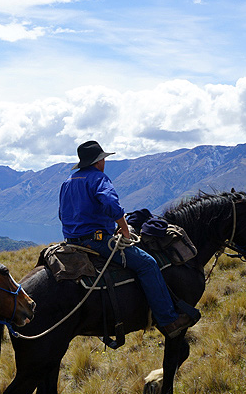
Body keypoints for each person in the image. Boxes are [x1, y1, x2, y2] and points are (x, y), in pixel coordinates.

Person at [58, 140, 197, 338]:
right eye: (103, 159)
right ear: (99, 161)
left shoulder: (68, 181)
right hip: (96, 241)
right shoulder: (98, 178)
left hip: (72, 242)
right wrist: (123, 228)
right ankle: (168, 320)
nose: (104, 162)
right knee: (147, 264)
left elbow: (62, 215)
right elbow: (110, 204)